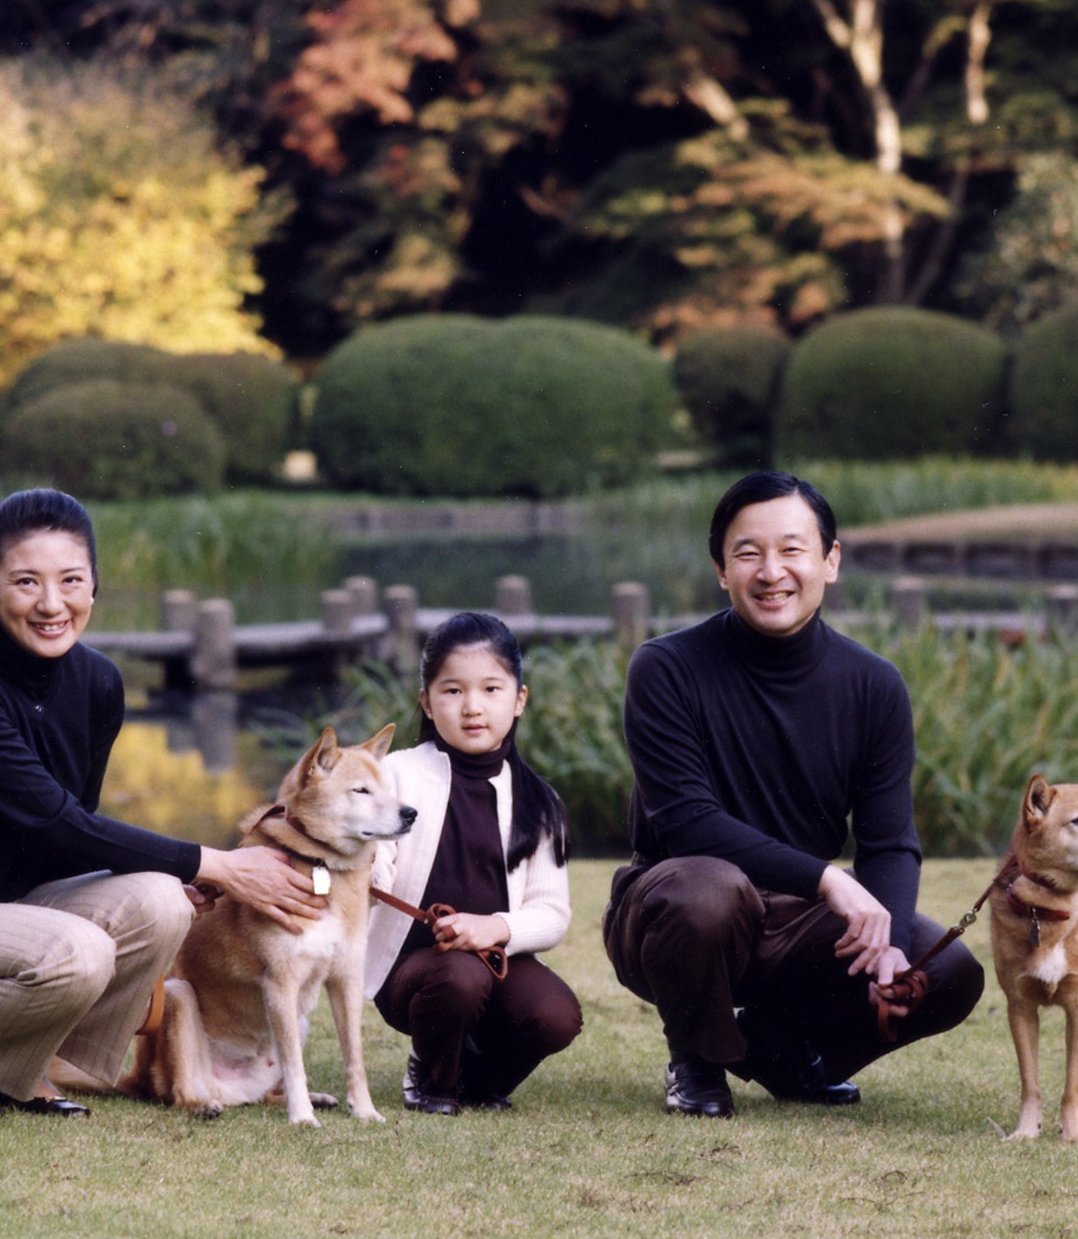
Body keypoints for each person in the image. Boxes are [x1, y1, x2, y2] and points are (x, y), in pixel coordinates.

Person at [0, 488, 323, 1117]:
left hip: (9, 912)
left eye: (71, 581)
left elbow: (66, 838)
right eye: (26, 582)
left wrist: (177, 880)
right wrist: (219, 865)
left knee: (161, 902)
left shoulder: (97, 682)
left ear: (94, 586)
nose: (51, 603)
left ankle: (29, 1061)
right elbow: (52, 818)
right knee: (79, 951)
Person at [603, 470, 984, 1118]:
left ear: (830, 560)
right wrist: (830, 880)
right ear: (721, 568)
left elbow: (890, 840)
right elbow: (690, 822)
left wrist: (888, 935)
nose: (771, 570)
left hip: (800, 923)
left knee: (945, 967)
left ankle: (777, 1050)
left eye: (792, 549)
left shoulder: (874, 685)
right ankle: (696, 1059)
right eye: (748, 552)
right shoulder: (666, 668)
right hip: (674, 909)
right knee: (709, 888)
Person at [364, 611, 582, 1115]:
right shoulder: (396, 775)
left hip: (493, 958)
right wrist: (363, 858)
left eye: (490, 689)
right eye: (453, 691)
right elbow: (375, 866)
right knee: (461, 977)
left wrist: (495, 927)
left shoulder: (539, 799)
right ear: (426, 701)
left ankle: (479, 1082)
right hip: (414, 973)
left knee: (556, 1014)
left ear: (519, 700)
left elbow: (552, 914)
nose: (472, 708)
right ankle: (432, 1078)